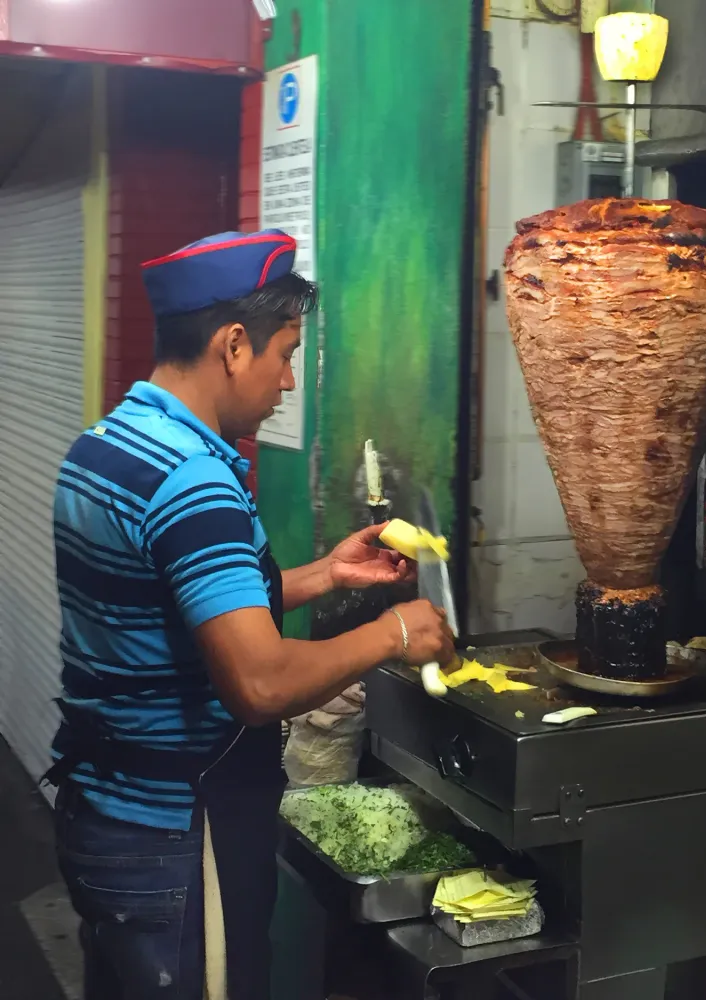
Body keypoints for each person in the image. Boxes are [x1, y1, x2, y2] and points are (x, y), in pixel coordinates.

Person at [46, 229, 454, 1000]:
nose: (288, 381)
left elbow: (179, 602)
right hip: (179, 828)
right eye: (286, 352)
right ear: (235, 345)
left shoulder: (107, 446)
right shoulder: (193, 480)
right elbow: (259, 683)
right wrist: (394, 631)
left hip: (102, 811)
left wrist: (324, 574)